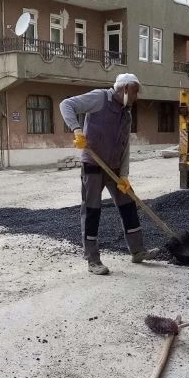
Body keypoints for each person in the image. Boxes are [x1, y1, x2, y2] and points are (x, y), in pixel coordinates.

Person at [59, 73, 159, 276]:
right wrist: (77, 130)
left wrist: (124, 175)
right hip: (93, 166)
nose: (136, 96)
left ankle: (138, 251)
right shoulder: (99, 98)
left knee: (128, 205)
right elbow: (65, 105)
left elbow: (125, 147)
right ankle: (93, 260)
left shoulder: (126, 114)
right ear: (124, 88)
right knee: (92, 211)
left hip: (114, 169)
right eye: (134, 91)